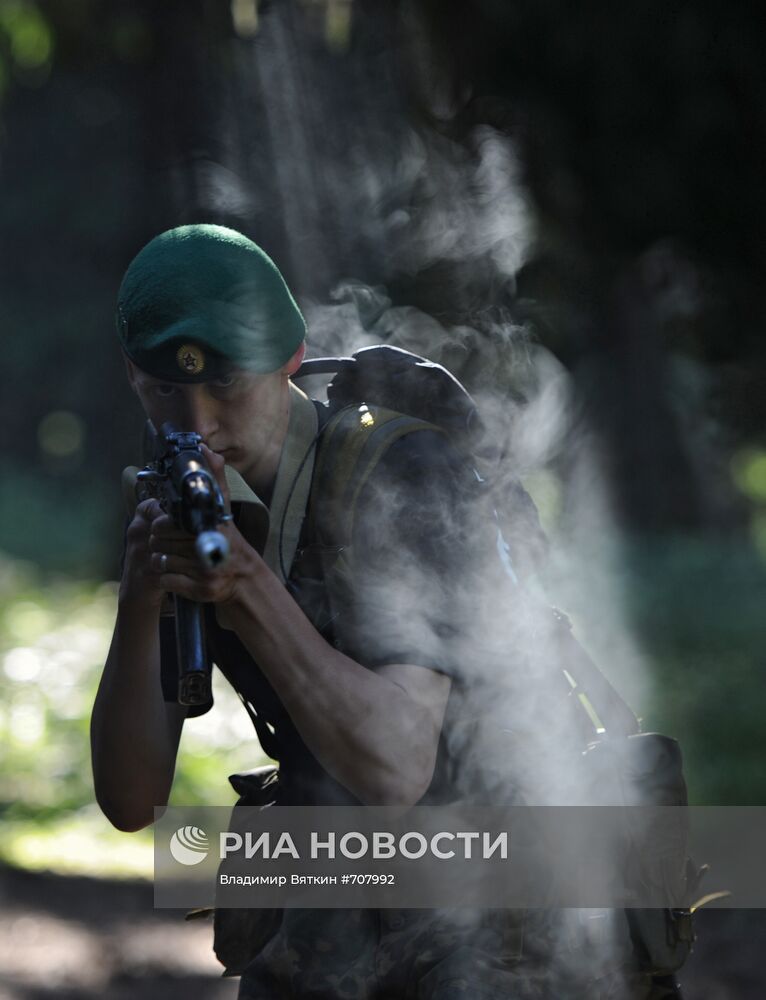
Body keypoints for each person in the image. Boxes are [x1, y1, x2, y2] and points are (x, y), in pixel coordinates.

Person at [91, 223, 524, 998]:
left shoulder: (398, 472)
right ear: (131, 375)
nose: (199, 424)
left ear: (289, 359)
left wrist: (245, 586)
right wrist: (140, 593)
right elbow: (129, 801)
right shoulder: (181, 492)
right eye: (166, 390)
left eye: (226, 383)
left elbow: (397, 768)